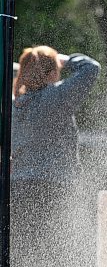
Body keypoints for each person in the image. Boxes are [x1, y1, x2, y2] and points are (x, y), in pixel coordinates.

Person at [10, 45, 100, 267]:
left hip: (18, 190)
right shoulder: (57, 97)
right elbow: (91, 68)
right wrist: (65, 59)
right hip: (55, 188)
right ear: (51, 73)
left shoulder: (14, 106)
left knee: (24, 255)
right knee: (56, 254)